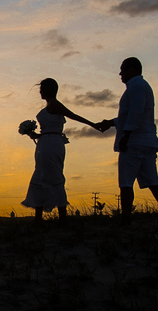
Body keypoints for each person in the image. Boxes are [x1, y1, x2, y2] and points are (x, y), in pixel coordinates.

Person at [97, 57, 158, 225]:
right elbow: (129, 115)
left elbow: (135, 113)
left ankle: (125, 221)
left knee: (126, 183)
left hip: (134, 142)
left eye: (123, 70)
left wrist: (126, 136)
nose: (120, 74)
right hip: (145, 141)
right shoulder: (139, 86)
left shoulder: (137, 87)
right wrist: (110, 123)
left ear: (131, 70)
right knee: (153, 181)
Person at [21, 78, 108, 221]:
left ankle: (61, 216)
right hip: (46, 141)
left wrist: (93, 125)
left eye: (41, 88)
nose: (40, 91)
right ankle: (39, 217)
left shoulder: (54, 104)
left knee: (53, 175)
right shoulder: (51, 105)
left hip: (51, 143)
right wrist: (33, 134)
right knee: (41, 174)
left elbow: (73, 115)